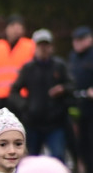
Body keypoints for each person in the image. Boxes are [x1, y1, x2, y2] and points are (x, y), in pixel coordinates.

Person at [10, 29, 74, 165]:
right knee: (30, 160)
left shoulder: (59, 66)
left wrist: (63, 89)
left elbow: (72, 86)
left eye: (46, 45)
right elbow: (14, 91)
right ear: (35, 47)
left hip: (55, 123)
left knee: (58, 157)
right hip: (34, 123)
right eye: (40, 45)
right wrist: (25, 106)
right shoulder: (28, 68)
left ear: (51, 47)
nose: (44, 49)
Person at [0, 15, 35, 111]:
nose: (16, 29)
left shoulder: (30, 46)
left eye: (19, 26)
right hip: (0, 99)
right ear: (6, 28)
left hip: (21, 99)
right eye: (13, 25)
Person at [68, 26, 93, 173]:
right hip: (78, 105)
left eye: (81, 39)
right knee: (79, 142)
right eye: (75, 40)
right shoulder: (73, 57)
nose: (77, 43)